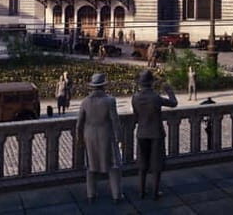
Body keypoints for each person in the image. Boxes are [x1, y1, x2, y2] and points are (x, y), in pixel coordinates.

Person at [76, 73, 123, 204]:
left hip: (89, 135)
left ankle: (91, 195)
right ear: (104, 86)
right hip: (106, 135)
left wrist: (79, 139)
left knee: (91, 166)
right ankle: (116, 195)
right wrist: (119, 137)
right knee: (113, 165)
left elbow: (79, 123)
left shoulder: (85, 102)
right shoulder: (110, 101)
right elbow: (115, 121)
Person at [132, 70, 177, 200]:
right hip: (156, 133)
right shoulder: (156, 97)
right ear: (151, 83)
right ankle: (155, 192)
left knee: (142, 164)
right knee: (156, 164)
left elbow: (136, 116)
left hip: (141, 132)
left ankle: (141, 191)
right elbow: (173, 103)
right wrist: (169, 90)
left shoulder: (135, 97)